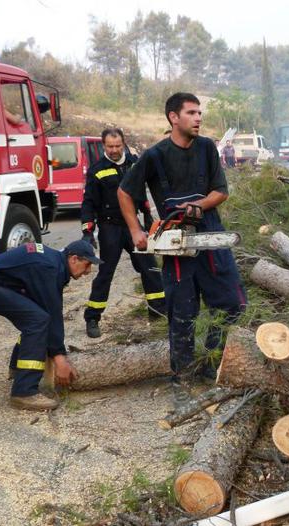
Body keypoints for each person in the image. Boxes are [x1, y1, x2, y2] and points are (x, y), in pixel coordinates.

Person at [117, 92, 248, 389]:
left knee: (232, 303)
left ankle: (212, 364)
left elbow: (221, 191)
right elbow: (124, 192)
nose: (198, 118)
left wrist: (198, 205)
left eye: (199, 113)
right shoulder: (155, 155)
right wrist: (136, 231)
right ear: (173, 117)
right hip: (175, 240)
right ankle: (183, 374)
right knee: (182, 312)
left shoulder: (207, 148)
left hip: (209, 233)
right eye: (191, 113)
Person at [0, 239, 99, 411]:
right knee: (37, 320)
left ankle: (17, 368)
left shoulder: (54, 264)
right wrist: (60, 359)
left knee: (36, 317)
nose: (88, 271)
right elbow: (53, 313)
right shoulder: (49, 268)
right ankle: (24, 392)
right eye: (87, 264)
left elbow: (52, 309)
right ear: (74, 259)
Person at [81, 128, 166, 338]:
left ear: (123, 143)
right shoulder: (97, 170)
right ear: (103, 145)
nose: (114, 150)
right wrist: (87, 231)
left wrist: (147, 214)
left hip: (133, 226)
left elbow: (141, 191)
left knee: (149, 267)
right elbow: (88, 203)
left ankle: (158, 313)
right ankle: (92, 318)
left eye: (118, 146)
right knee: (106, 273)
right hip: (109, 228)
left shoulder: (134, 164)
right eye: (110, 146)